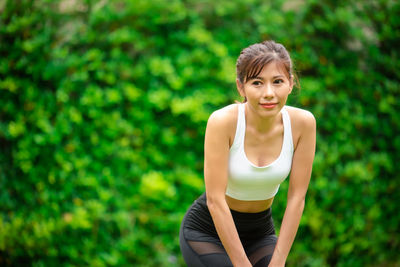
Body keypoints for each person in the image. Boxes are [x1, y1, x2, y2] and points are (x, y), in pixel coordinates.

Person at [179, 40, 316, 267]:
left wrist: (279, 261)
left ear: (291, 84)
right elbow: (215, 200)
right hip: (207, 231)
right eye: (257, 83)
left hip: (259, 234)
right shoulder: (223, 122)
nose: (269, 93)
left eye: (278, 81)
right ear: (241, 87)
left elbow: (296, 198)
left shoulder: (303, 124)